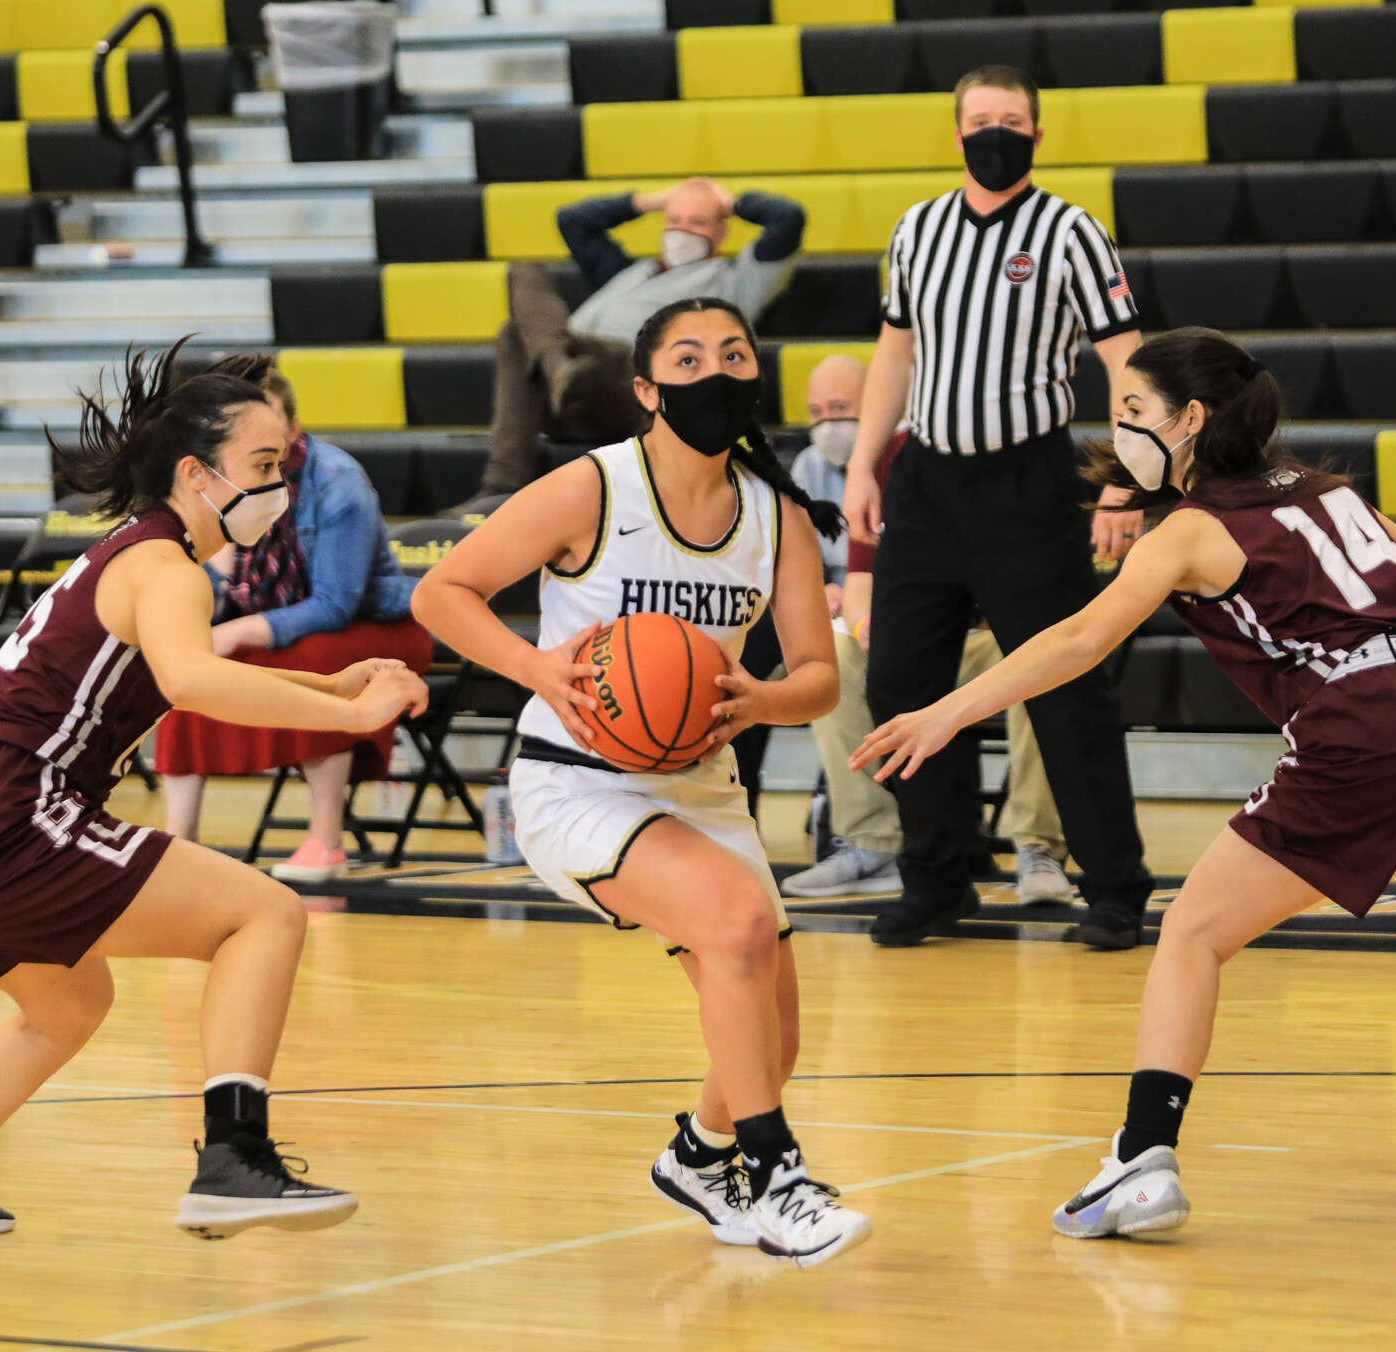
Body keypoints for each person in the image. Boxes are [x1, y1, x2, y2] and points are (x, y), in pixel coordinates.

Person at [853, 327, 1396, 1241]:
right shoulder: (1330, 492)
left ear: (1190, 420)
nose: (1121, 429)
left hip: (1372, 721)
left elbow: (1078, 640)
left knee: (1191, 933)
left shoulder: (1190, 528)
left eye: (1135, 410)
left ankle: (1142, 1163)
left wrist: (946, 713)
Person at [0, 342, 429, 1245]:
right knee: (266, 915)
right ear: (198, 475)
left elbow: (175, 671)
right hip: (8, 813)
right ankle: (234, 1160)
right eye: (262, 466)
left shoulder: (134, 553)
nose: (279, 486)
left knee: (69, 1006)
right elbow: (193, 681)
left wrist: (329, 685)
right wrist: (352, 720)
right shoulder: (168, 569)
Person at [414, 297, 871, 1268]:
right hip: (578, 780)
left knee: (775, 1036)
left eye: (734, 354)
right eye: (689, 358)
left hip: (699, 783)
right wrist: (536, 667)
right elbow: (440, 592)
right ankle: (777, 1177)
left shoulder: (776, 515)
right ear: (647, 389)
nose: (716, 372)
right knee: (737, 925)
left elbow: (818, 676)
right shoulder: (592, 487)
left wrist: (761, 700)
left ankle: (699, 1157)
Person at [846, 64, 1154, 951]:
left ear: (1036, 135)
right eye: (981, 120)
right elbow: (893, 354)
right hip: (925, 481)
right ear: (956, 133)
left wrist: (1127, 479)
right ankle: (938, 878)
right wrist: (864, 464)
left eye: (1011, 121)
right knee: (900, 681)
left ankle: (1116, 888)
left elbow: (1126, 359)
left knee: (1064, 687)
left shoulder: (1071, 232)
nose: (995, 133)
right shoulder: (917, 228)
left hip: (1028, 484)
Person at [782, 352, 1074, 903]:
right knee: (838, 657)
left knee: (1040, 658)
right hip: (916, 637)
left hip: (989, 637)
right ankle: (872, 843)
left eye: (841, 408)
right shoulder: (886, 462)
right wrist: (866, 625)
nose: (830, 424)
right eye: (818, 412)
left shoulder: (1012, 460)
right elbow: (861, 578)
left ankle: (1038, 846)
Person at [153, 361, 432, 882]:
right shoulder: (217, 482)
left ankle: (326, 840)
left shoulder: (337, 483)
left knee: (315, 659)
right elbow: (219, 592)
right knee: (188, 669)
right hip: (278, 621)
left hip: (371, 625)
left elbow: (334, 605)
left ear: (294, 428)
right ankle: (178, 839)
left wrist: (233, 633)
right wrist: (216, 579)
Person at [452, 177, 806, 514]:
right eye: (674, 221)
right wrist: (654, 201)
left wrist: (729, 202)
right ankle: (558, 367)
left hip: (628, 386)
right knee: (524, 276)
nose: (682, 231)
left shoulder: (735, 281)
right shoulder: (630, 272)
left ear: (721, 231)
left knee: (519, 336)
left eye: (697, 222)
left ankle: (501, 483)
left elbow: (788, 219)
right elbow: (572, 221)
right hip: (566, 387)